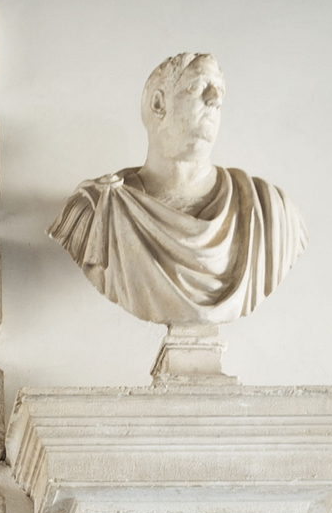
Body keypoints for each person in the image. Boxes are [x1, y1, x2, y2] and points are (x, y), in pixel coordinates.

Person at [49, 52, 304, 331]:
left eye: (220, 92)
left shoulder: (270, 212)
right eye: (198, 87)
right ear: (159, 104)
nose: (214, 100)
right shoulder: (95, 209)